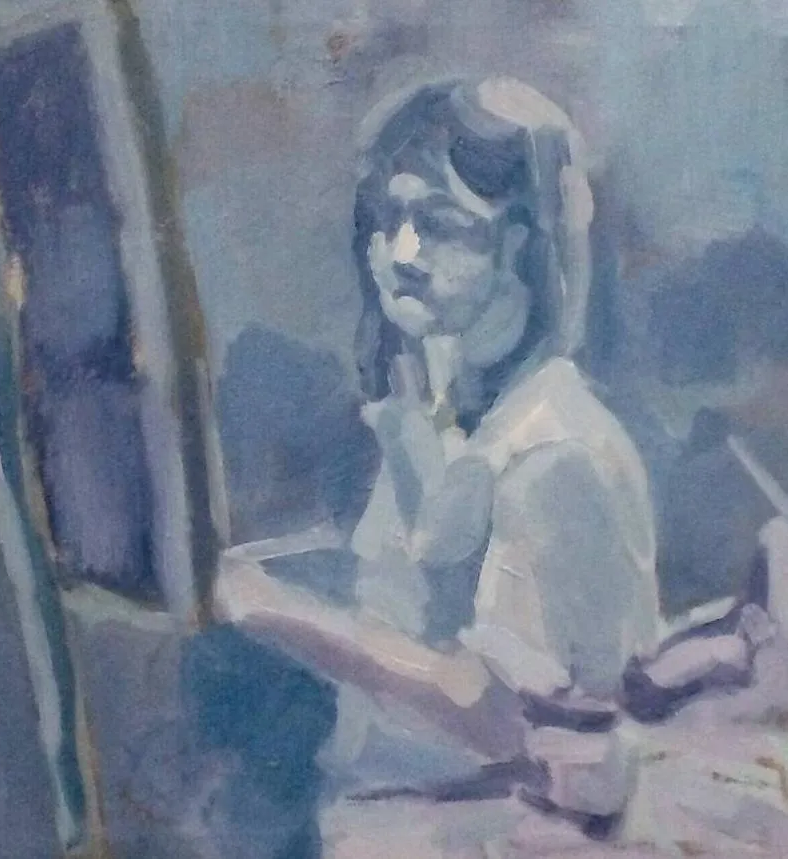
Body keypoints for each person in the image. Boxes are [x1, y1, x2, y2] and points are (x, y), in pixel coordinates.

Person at [217, 76, 772, 839]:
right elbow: (416, 597)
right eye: (388, 218)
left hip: (494, 829)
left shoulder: (557, 452)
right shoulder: (435, 419)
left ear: (523, 243)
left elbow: (515, 718)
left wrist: (281, 612)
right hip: (401, 815)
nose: (400, 252)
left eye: (439, 224)